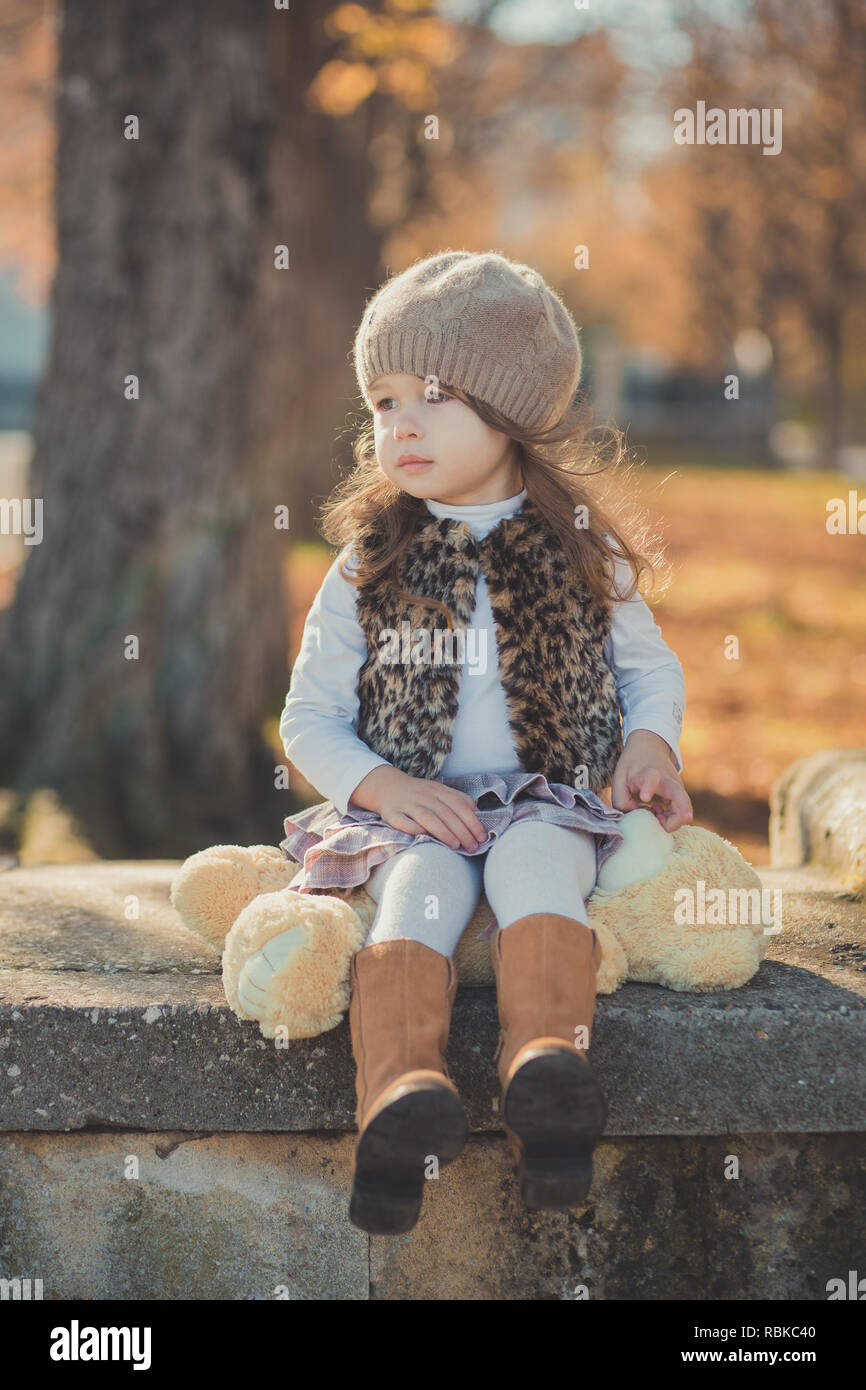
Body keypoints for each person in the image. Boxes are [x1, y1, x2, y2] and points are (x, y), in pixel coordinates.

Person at [252, 251, 693, 1234]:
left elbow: (645, 669)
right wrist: (380, 788)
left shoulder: (578, 546)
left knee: (539, 864)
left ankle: (549, 1073)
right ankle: (398, 1097)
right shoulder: (371, 559)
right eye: (381, 399)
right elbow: (308, 717)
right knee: (419, 889)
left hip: (546, 796)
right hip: (419, 814)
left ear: (512, 411)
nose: (398, 424)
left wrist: (648, 745)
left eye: (435, 395)